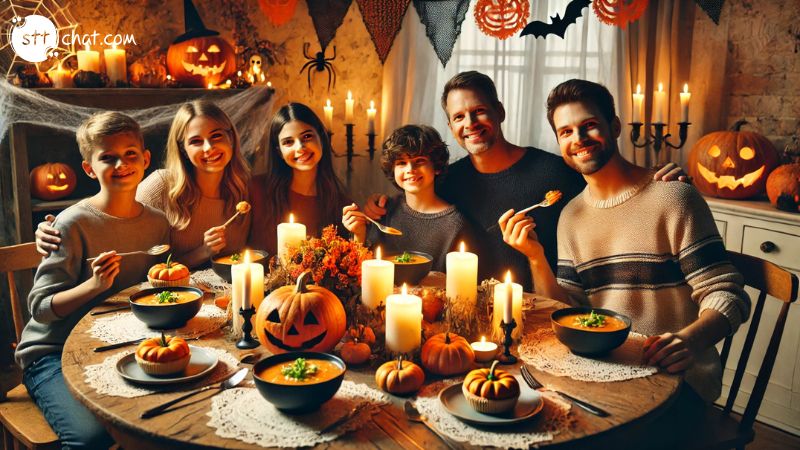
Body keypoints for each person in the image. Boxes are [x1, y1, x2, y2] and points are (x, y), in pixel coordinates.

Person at [499, 79, 749, 417]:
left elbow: (728, 294)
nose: (579, 140)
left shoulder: (674, 197)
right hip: (605, 376)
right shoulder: (571, 216)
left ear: (614, 126)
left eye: (589, 126)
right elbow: (567, 309)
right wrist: (535, 256)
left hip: (675, 383)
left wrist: (690, 340)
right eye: (566, 132)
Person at [364, 71, 687, 291]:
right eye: (459, 117)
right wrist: (382, 205)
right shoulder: (448, 180)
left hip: (548, 310)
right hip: (476, 315)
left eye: (479, 111)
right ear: (451, 127)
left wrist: (654, 178)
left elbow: (613, 193)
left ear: (500, 112)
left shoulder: (558, 171)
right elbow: (418, 209)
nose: (471, 123)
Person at [14, 112, 170, 449]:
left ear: (144, 159)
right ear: (88, 168)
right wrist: (93, 286)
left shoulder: (157, 223)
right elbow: (40, 309)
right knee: (90, 439)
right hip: (51, 354)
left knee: (165, 416)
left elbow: (152, 289)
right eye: (107, 157)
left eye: (130, 154)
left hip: (112, 347)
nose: (121, 164)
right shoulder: (70, 224)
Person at [35, 100, 251, 268]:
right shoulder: (163, 186)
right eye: (195, 141)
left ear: (231, 138)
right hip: (168, 301)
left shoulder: (244, 192)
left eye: (216, 136)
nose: (208, 148)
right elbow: (117, 222)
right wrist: (57, 228)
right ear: (183, 148)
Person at [342, 124, 479, 271]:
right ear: (392, 169)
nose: (410, 170)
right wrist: (359, 234)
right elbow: (361, 270)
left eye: (419, 161)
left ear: (436, 167)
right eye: (401, 163)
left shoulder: (456, 225)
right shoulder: (383, 210)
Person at [248, 102, 351, 255]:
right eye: (288, 142)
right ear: (279, 151)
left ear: (322, 139)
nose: (300, 148)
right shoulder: (255, 190)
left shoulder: (340, 203)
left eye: (307, 136)